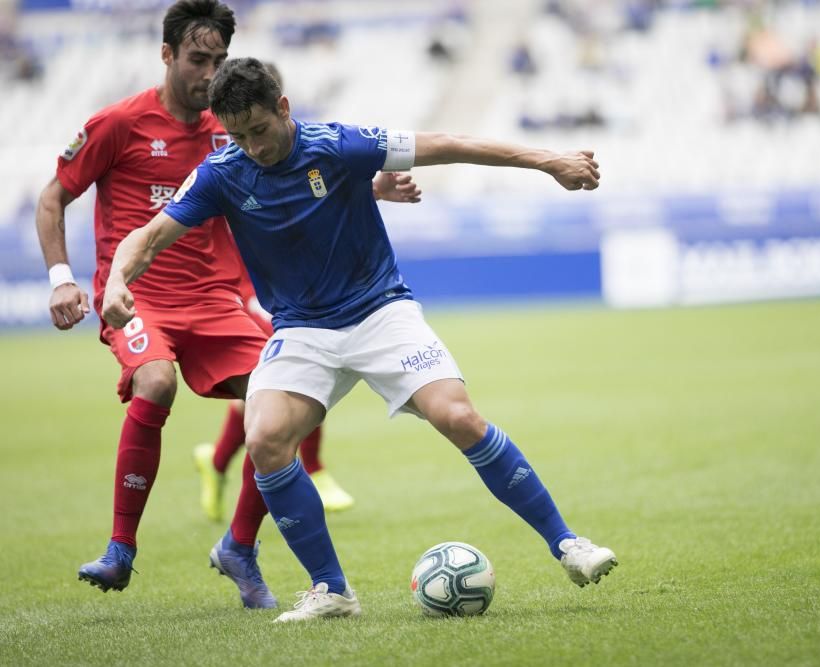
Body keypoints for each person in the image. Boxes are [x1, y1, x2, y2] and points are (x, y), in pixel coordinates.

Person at [102, 57, 618, 622]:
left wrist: (550, 161)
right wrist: (116, 282)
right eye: (239, 136)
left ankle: (569, 545)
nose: (253, 146)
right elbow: (147, 237)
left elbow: (446, 143)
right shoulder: (222, 173)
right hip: (302, 330)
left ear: (283, 108)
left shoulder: (338, 145)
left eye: (260, 130)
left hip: (380, 313)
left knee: (459, 417)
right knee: (267, 437)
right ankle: (332, 591)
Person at [34, 0, 419, 610]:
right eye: (196, 59)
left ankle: (239, 545)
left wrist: (374, 186)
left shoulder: (236, 124)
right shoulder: (117, 124)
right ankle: (120, 549)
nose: (208, 74)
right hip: (142, 300)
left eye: (217, 61)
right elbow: (53, 197)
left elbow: (307, 169)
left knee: (285, 410)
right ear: (167, 55)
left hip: (215, 299)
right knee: (156, 382)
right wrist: (62, 277)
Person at [192, 60, 364, 522]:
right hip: (243, 284)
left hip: (281, 279)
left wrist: (380, 188)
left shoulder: (290, 149)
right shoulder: (224, 162)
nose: (257, 140)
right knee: (294, 372)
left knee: (268, 387)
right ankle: (314, 467)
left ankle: (219, 459)